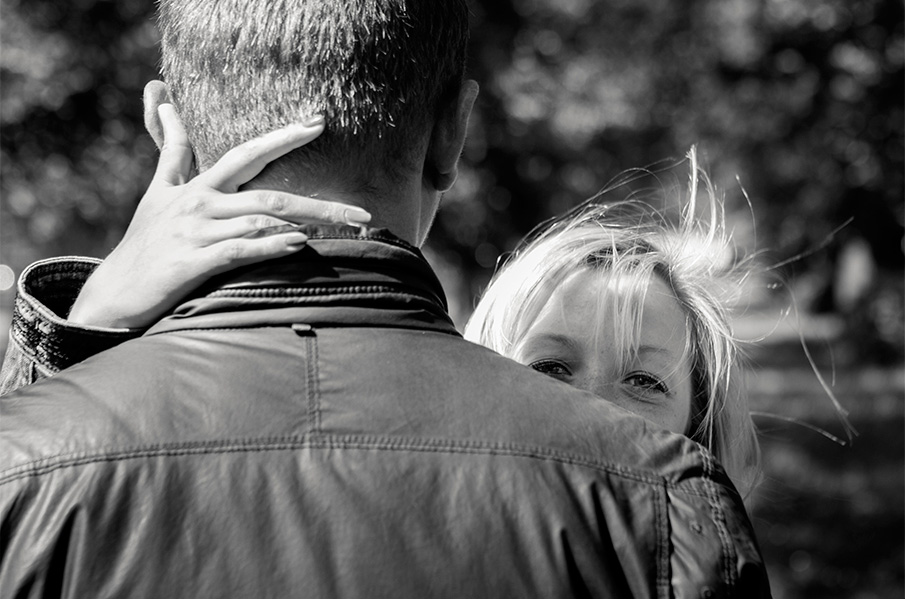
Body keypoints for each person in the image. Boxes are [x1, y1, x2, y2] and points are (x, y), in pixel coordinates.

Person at [0, 1, 771, 597]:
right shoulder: (661, 507)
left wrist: (72, 333)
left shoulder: (21, 466)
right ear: (452, 133)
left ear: (162, 120)